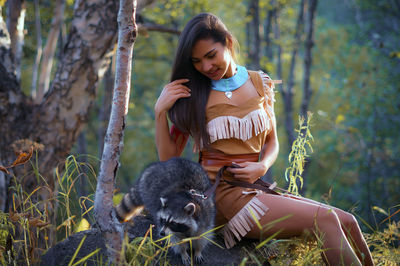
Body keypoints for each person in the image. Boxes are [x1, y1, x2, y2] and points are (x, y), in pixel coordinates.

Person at [154, 12, 373, 265]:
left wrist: (262, 166)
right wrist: (160, 112)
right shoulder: (192, 94)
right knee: (324, 220)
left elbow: (272, 141)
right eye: (197, 61)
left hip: (256, 189)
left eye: (211, 55)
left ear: (227, 41)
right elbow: (168, 158)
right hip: (221, 197)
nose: (205, 67)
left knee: (348, 220)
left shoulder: (260, 83)